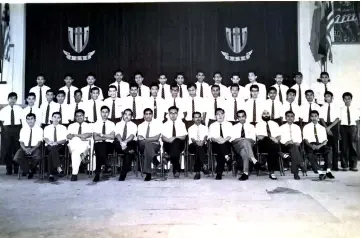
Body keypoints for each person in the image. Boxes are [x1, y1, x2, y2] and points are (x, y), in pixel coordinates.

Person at [303, 110, 335, 180]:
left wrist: (319, 146)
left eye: (315, 116)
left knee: (328, 150)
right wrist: (312, 146)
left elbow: (325, 140)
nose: (314, 118)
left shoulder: (322, 128)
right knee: (310, 154)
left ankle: (328, 171)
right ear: (310, 118)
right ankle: (320, 172)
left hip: (321, 144)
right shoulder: (306, 127)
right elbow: (306, 140)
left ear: (318, 117)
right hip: (311, 144)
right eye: (312, 116)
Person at [13, 113, 43, 179]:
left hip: (35, 148)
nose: (30, 121)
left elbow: (39, 143)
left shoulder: (39, 129)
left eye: (32, 119)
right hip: (24, 148)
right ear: (26, 120)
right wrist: (25, 149)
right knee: (16, 158)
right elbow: (21, 142)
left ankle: (30, 169)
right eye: (28, 119)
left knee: (37, 157)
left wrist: (32, 149)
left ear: (35, 120)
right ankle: (28, 170)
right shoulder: (23, 129)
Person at [231, 110, 258, 181]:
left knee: (244, 152)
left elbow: (253, 140)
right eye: (239, 117)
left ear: (245, 117)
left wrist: (244, 140)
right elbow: (233, 140)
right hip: (237, 145)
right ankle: (253, 159)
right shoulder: (234, 127)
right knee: (244, 141)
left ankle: (245, 173)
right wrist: (241, 139)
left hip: (249, 144)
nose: (241, 118)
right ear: (237, 118)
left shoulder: (251, 126)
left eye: (243, 116)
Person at [0, 92, 23, 175]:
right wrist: (6, 131)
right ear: (8, 99)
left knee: (17, 148)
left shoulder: (19, 109)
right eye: (11, 98)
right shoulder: (3, 110)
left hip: (17, 129)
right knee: (7, 149)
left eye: (14, 99)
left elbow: (21, 121)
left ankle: (16, 168)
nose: (12, 100)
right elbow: (2, 122)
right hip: (6, 130)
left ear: (16, 100)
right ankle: (8, 168)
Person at [161, 106, 187, 178]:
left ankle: (168, 158)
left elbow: (184, 137)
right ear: (168, 114)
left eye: (175, 113)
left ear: (177, 114)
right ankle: (176, 170)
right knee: (174, 148)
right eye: (171, 113)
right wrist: (169, 140)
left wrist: (175, 138)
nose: (173, 115)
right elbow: (163, 138)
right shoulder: (165, 124)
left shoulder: (182, 124)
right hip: (168, 145)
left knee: (176, 142)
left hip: (180, 145)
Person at [66, 109, 92, 181]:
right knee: (76, 142)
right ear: (75, 117)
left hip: (82, 145)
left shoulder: (88, 125)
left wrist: (75, 135)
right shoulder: (71, 126)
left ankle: (74, 174)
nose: (79, 117)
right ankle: (83, 155)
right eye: (77, 116)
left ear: (84, 116)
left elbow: (88, 135)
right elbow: (68, 136)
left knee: (75, 153)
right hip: (75, 144)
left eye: (81, 116)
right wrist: (80, 136)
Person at [280, 111, 306, 180]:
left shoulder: (297, 127)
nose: (290, 118)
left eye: (292, 116)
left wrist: (294, 142)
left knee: (294, 149)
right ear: (285, 118)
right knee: (294, 149)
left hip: (295, 145)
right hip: (285, 146)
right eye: (288, 116)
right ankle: (300, 166)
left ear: (294, 118)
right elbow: (280, 139)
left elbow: (300, 139)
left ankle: (296, 172)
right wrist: (287, 142)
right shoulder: (281, 127)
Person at [137, 108, 162, 181]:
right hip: (143, 145)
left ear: (152, 115)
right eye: (146, 114)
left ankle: (148, 174)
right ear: (144, 115)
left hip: (155, 145)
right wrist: (150, 139)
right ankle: (155, 160)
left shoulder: (157, 124)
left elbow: (157, 137)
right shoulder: (140, 125)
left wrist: (145, 139)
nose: (148, 116)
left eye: (150, 114)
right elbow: (139, 138)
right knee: (146, 144)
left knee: (147, 148)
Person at [255, 109, 281, 180]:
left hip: (273, 144)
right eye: (264, 113)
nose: (266, 115)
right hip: (263, 144)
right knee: (270, 142)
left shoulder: (275, 124)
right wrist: (272, 138)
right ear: (261, 115)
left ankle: (271, 172)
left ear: (270, 115)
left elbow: (279, 136)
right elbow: (259, 137)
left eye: (267, 113)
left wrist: (276, 139)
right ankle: (272, 172)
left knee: (272, 146)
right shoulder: (258, 124)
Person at [92, 106, 116, 182]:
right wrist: (107, 136)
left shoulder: (112, 124)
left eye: (106, 112)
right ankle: (106, 165)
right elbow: (95, 138)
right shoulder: (96, 124)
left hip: (109, 145)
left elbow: (112, 137)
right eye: (103, 112)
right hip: (98, 145)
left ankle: (97, 173)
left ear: (109, 113)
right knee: (100, 147)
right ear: (100, 113)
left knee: (101, 149)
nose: (104, 114)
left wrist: (102, 135)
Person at [209, 108, 233, 180]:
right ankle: (227, 158)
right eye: (217, 114)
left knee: (221, 150)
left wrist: (224, 140)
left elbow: (231, 135)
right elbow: (211, 137)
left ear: (224, 115)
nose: (219, 116)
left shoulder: (229, 124)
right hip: (215, 144)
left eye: (221, 114)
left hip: (226, 143)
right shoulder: (212, 125)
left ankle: (219, 173)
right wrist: (217, 140)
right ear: (215, 116)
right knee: (220, 147)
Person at [319, 91, 340, 171]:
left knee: (335, 146)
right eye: (326, 96)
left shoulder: (336, 107)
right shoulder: (322, 107)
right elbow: (321, 118)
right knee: (326, 146)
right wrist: (326, 128)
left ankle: (335, 166)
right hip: (324, 126)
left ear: (332, 97)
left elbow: (337, 118)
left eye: (328, 96)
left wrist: (329, 128)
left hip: (334, 126)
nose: (327, 98)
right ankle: (327, 165)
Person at [43, 112, 67, 182]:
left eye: (58, 117)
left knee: (52, 152)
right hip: (49, 145)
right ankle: (58, 167)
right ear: (51, 118)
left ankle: (51, 175)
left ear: (60, 119)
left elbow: (64, 140)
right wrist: (50, 143)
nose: (56, 119)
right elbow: (45, 138)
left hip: (59, 146)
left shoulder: (63, 128)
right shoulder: (47, 128)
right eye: (55, 117)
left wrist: (56, 142)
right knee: (52, 150)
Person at [115, 109, 138, 181]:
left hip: (129, 142)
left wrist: (124, 142)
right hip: (119, 142)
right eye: (125, 114)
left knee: (128, 152)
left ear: (131, 117)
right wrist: (121, 142)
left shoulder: (134, 125)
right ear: (123, 115)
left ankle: (123, 175)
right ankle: (132, 153)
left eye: (129, 115)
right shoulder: (118, 124)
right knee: (117, 144)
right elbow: (117, 134)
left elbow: (132, 136)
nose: (127, 116)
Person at [339, 92, 360, 171]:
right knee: (344, 147)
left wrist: (358, 132)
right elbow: (339, 120)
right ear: (343, 100)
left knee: (353, 146)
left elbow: (358, 121)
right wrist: (339, 132)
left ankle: (353, 165)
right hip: (343, 127)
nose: (347, 100)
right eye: (345, 99)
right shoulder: (340, 109)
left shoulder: (355, 109)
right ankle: (344, 165)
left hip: (352, 127)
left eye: (349, 99)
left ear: (351, 99)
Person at [187, 111, 209, 180]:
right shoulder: (190, 128)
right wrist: (197, 142)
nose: (197, 119)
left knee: (199, 149)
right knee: (198, 148)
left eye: (199, 117)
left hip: (203, 145)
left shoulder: (205, 127)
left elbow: (205, 136)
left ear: (201, 118)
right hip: (192, 146)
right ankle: (204, 164)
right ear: (193, 119)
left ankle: (197, 172)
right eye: (195, 117)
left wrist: (203, 141)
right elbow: (192, 139)